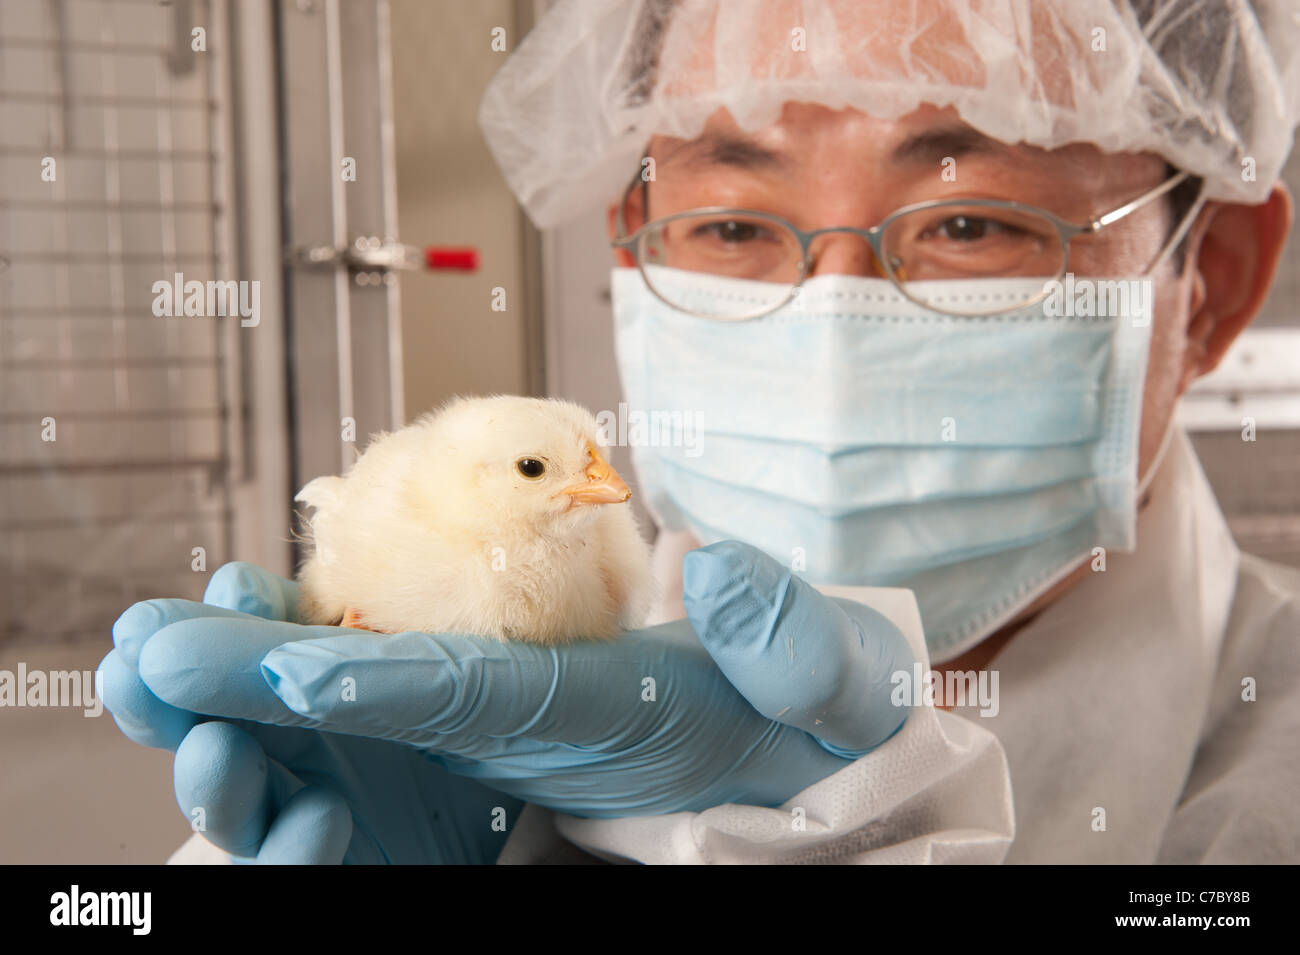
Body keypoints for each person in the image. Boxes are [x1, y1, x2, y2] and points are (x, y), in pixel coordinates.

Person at [102, 0, 1300, 863]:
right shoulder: (435, 696)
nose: (830, 323)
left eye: (969, 224)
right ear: (631, 239)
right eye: (731, 228)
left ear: (1215, 280)